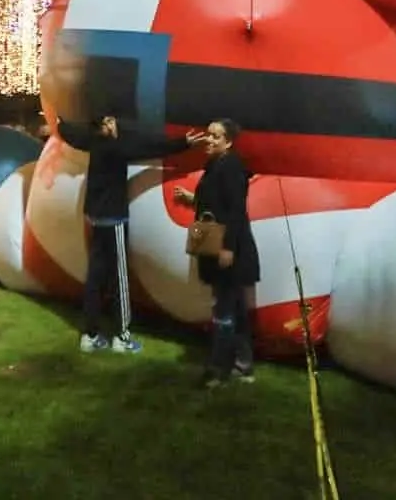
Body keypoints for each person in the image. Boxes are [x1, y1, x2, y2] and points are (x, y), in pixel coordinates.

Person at [55, 113, 205, 354]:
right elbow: (149, 146)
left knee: (95, 277)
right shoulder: (118, 147)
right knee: (119, 279)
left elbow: (74, 135)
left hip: (96, 217)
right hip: (113, 219)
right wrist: (183, 143)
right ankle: (121, 337)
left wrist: (62, 124)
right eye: (110, 122)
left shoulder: (93, 142)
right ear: (104, 127)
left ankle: (90, 335)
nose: (115, 125)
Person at [175, 119, 260, 387]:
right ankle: (243, 366)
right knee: (233, 308)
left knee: (223, 311)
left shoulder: (231, 167)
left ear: (229, 142)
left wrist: (228, 248)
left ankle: (218, 370)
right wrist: (191, 200)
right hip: (222, 248)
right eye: (208, 135)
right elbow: (216, 202)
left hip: (229, 250)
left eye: (215, 136)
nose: (209, 140)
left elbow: (235, 211)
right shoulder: (215, 166)